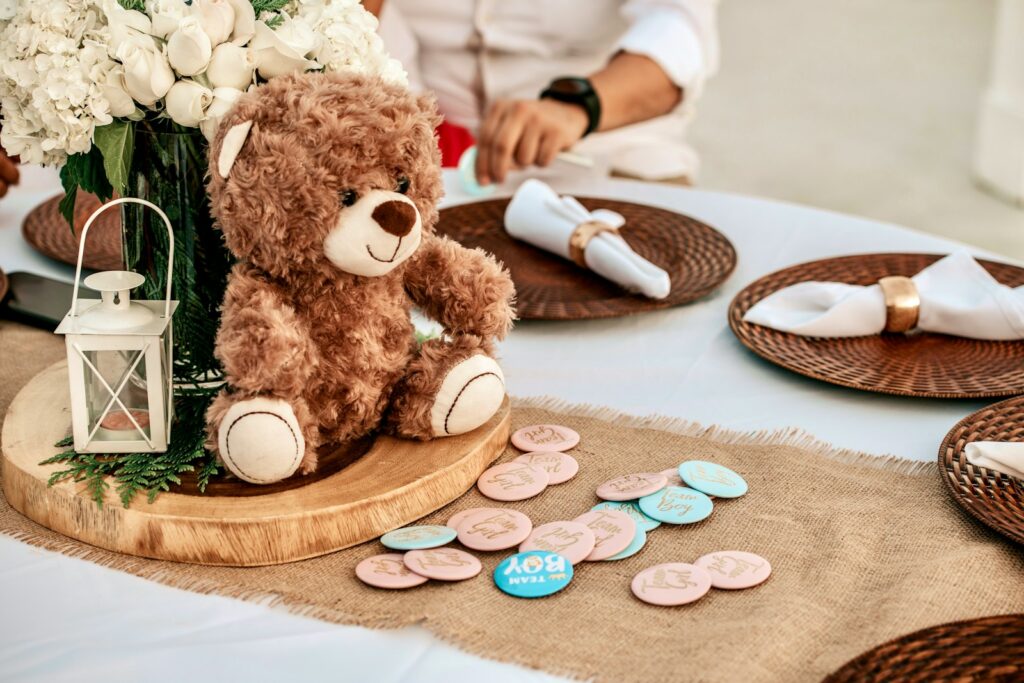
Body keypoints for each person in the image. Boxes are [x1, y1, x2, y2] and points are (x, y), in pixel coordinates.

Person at [370, 1, 719, 185]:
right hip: (432, 171)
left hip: (611, 158)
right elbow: (350, 29)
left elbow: (680, 30)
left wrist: (577, 107)